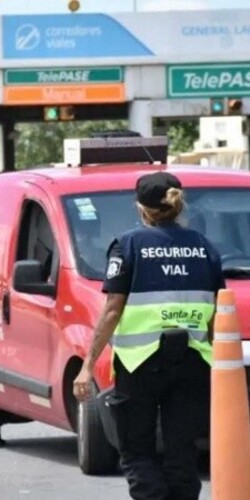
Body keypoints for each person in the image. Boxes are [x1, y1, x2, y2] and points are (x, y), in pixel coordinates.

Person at [73, 172, 224, 500]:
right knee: (182, 453)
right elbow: (217, 313)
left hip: (139, 363)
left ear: (141, 208)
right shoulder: (205, 248)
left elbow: (112, 309)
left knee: (136, 449)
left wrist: (87, 365)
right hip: (194, 363)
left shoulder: (128, 245)